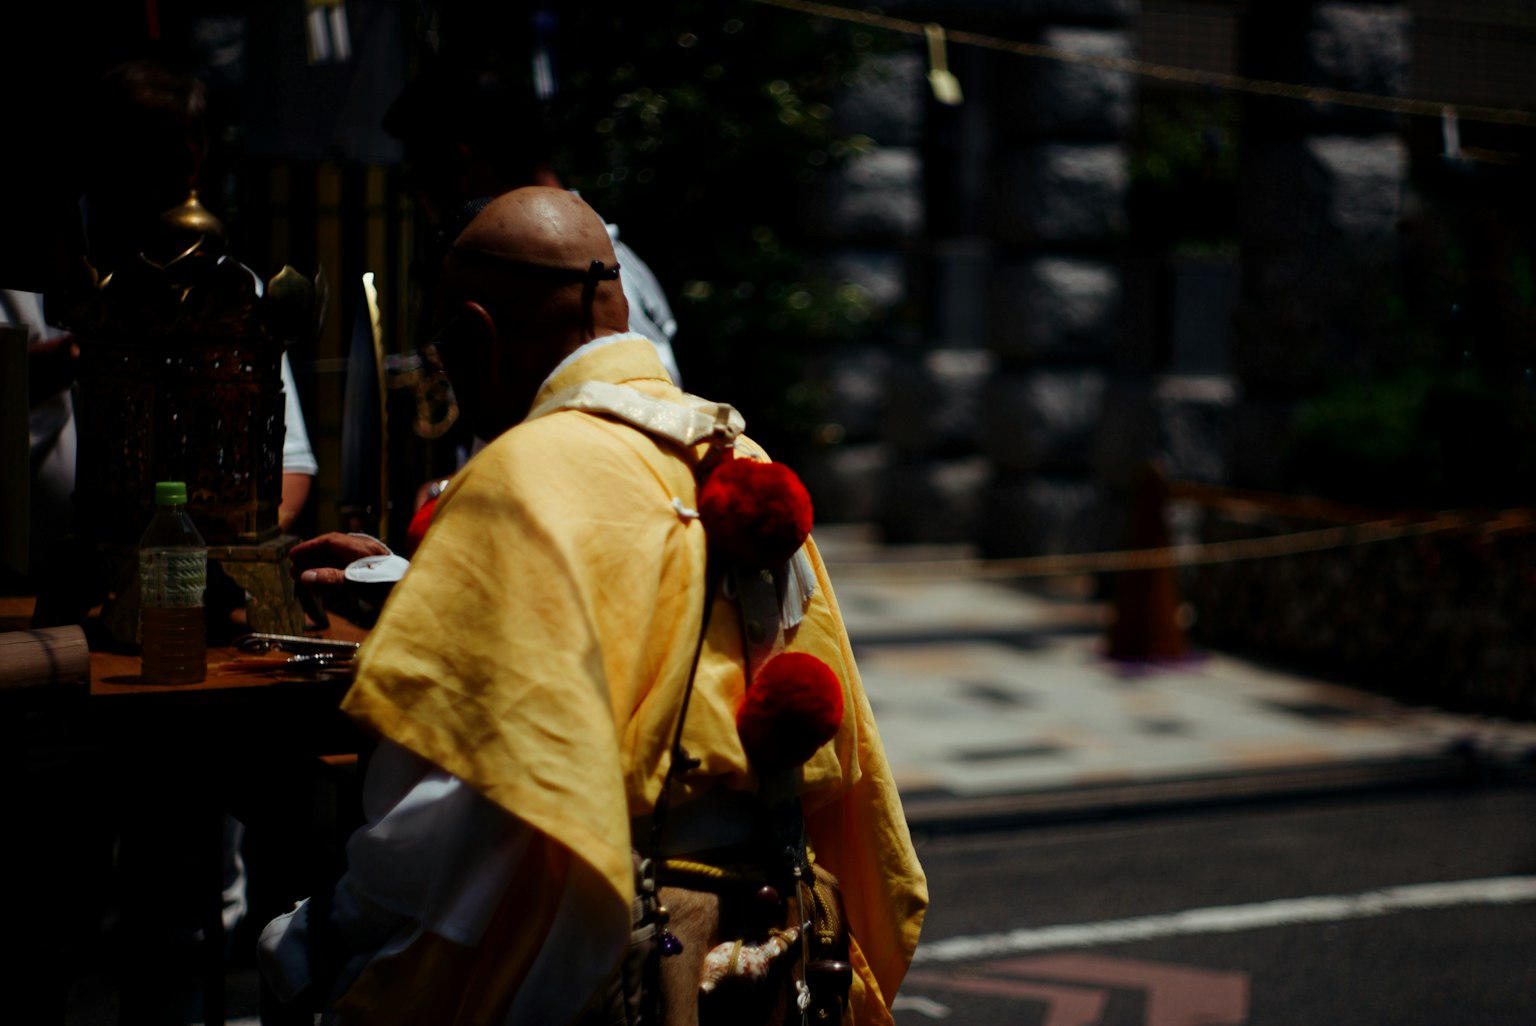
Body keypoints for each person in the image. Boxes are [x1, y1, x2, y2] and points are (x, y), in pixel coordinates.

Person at [259, 187, 925, 1024]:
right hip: (779, 938)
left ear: (478, 335)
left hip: (614, 955)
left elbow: (447, 819)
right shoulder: (740, 456)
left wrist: (317, 933)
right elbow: (852, 771)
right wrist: (414, 584)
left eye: (445, 354)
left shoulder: (517, 476)